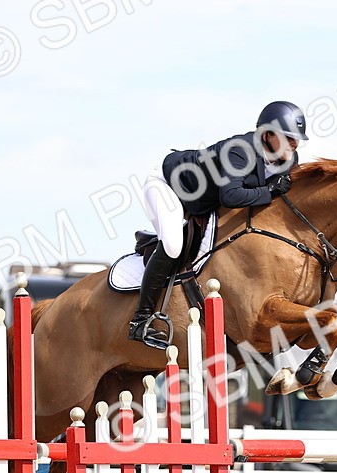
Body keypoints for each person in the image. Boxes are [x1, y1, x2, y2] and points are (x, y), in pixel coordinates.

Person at [129, 100, 309, 349]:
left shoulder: (289, 159)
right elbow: (231, 196)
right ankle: (141, 321)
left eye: (296, 139)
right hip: (168, 186)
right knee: (173, 244)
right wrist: (269, 190)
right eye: (288, 138)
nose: (294, 144)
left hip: (205, 200)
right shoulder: (240, 151)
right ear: (267, 134)